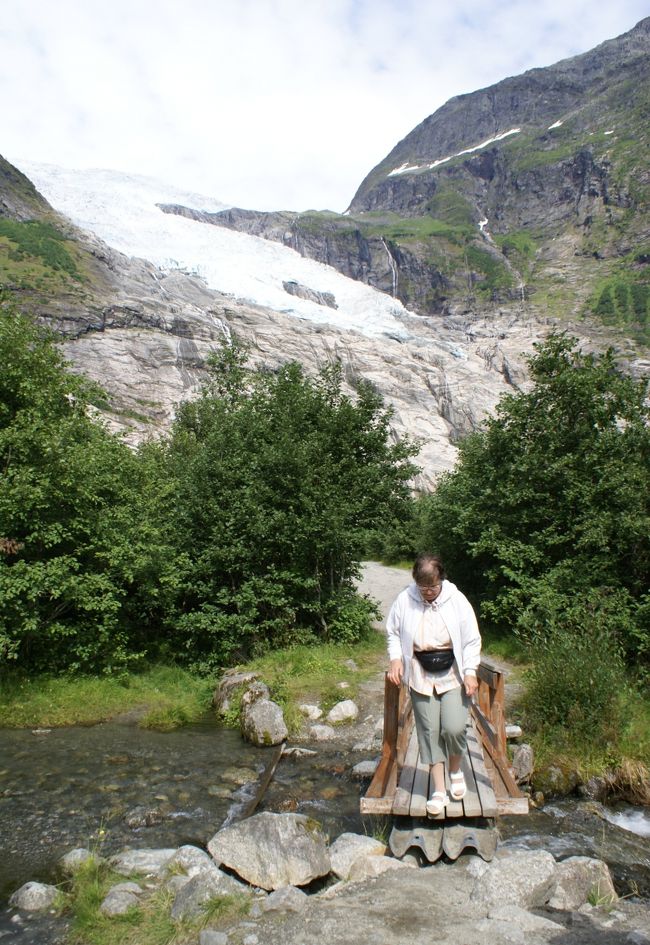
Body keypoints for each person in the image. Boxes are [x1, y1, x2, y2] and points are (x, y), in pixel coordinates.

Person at [386, 552, 481, 816]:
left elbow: (472, 639)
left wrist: (471, 671)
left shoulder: (457, 600)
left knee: (452, 727)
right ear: (416, 582)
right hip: (420, 672)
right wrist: (396, 659)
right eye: (423, 587)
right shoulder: (405, 599)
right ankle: (439, 790)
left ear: (442, 580)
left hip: (452, 671)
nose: (428, 592)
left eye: (433, 587)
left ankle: (455, 769)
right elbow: (393, 632)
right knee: (429, 733)